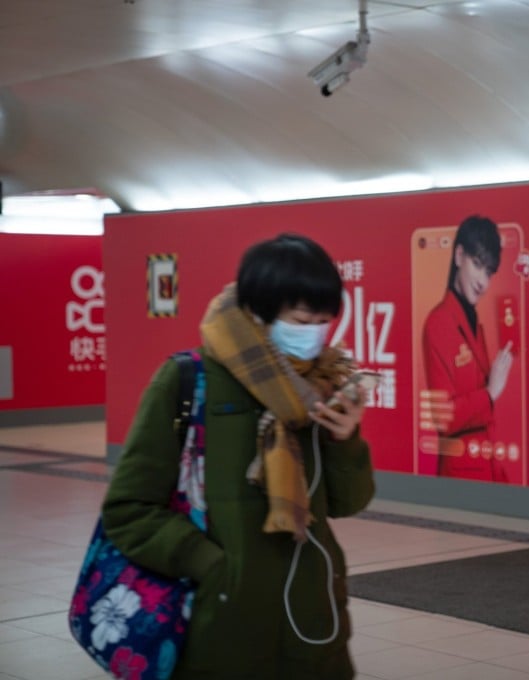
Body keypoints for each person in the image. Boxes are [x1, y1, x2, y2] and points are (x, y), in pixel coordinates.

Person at [102, 233, 374, 679]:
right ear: (259, 311)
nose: (315, 334)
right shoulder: (187, 381)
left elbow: (348, 503)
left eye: (324, 321)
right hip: (219, 627)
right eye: (303, 319)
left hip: (312, 622)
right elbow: (128, 508)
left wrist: (346, 442)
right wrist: (214, 569)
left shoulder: (322, 386)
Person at [422, 215, 514, 482]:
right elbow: (443, 418)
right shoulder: (438, 322)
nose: (483, 282)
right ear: (459, 256)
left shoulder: (474, 323)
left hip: (486, 464)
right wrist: (490, 393)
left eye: (489, 272)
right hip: (462, 471)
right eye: (477, 264)